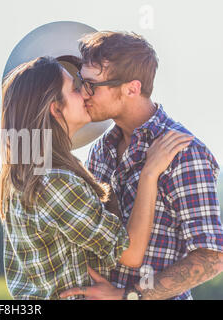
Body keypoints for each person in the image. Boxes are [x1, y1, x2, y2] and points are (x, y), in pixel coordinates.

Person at [0, 56, 192, 299]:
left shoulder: (26, 175)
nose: (85, 94)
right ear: (56, 108)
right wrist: (149, 173)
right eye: (75, 89)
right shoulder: (55, 182)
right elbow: (129, 253)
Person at [60, 31, 223, 300]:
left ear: (132, 88)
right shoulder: (100, 151)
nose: (84, 93)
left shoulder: (185, 152)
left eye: (92, 85)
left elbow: (211, 257)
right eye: (81, 82)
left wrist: (129, 296)